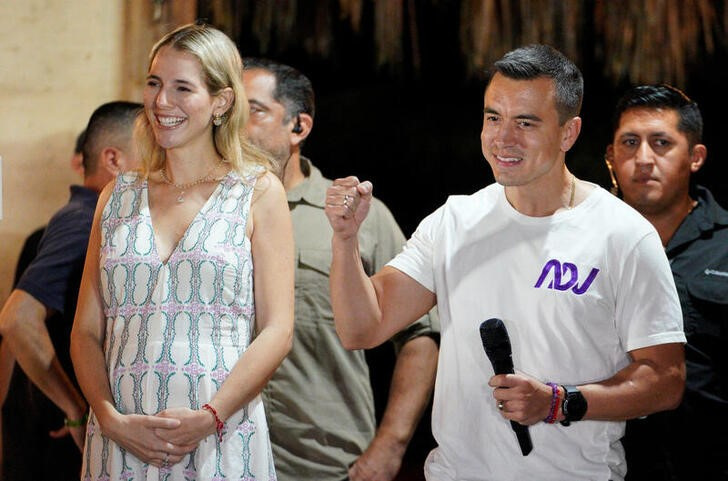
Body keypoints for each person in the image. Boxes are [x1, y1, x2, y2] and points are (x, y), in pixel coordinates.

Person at [324, 44, 687, 480]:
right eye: (493, 117)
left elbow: (665, 380)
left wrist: (559, 402)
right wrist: (345, 240)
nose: (503, 138)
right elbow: (362, 327)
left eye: (526, 123)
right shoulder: (454, 221)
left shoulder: (623, 235)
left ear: (568, 133)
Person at [70, 23, 294, 480]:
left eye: (181, 88)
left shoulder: (256, 192)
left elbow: (277, 330)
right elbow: (86, 332)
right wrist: (109, 418)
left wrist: (210, 416)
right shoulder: (116, 195)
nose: (161, 102)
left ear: (221, 101)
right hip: (121, 438)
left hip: (222, 436)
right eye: (154, 84)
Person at [242, 58, 439, 481]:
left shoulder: (357, 216)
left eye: (255, 111)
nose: (238, 126)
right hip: (221, 455)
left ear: (299, 127)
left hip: (325, 462)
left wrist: (390, 445)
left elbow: (420, 336)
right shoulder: (210, 218)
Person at [0, 102, 140, 481]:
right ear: (114, 159)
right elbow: (18, 318)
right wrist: (76, 408)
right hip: (61, 438)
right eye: (153, 152)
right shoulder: (83, 221)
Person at [605, 84, 728, 480]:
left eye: (661, 143)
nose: (643, 158)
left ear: (695, 157)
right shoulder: (578, 247)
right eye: (629, 142)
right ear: (611, 156)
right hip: (604, 465)